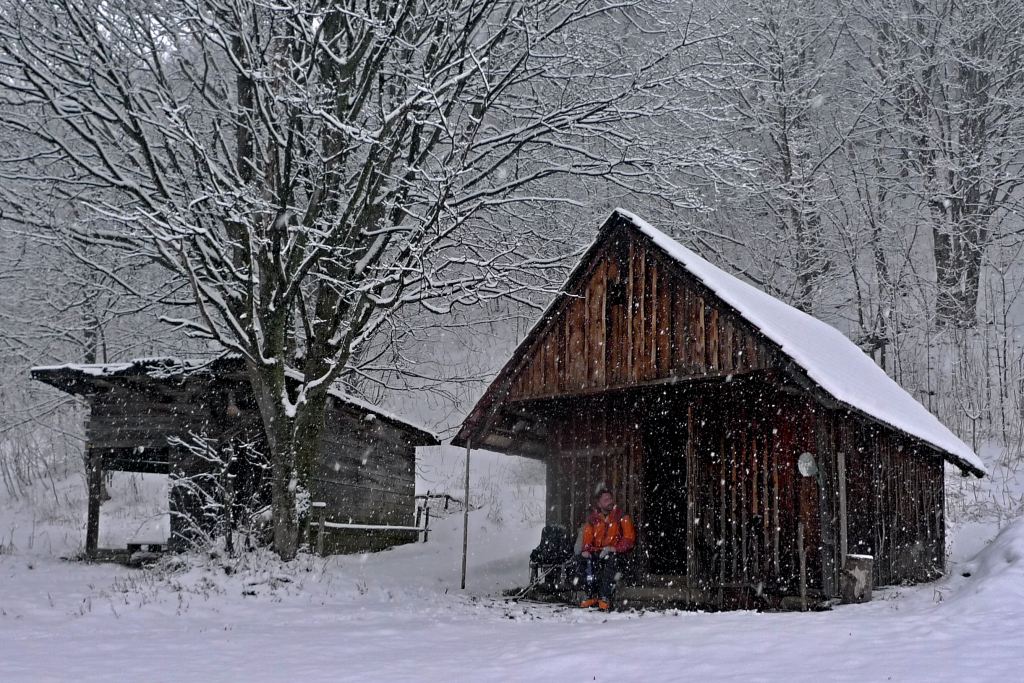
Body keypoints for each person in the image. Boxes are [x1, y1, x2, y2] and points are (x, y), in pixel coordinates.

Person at [576, 487, 635, 610]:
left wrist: (614, 548)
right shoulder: (593, 518)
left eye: (610, 498)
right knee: (584, 561)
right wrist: (586, 550)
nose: (609, 501)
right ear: (599, 503)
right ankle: (590, 595)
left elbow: (629, 538)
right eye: (606, 499)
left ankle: (605, 597)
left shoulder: (621, 516)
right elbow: (587, 537)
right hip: (598, 552)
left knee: (610, 561)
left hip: (618, 553)